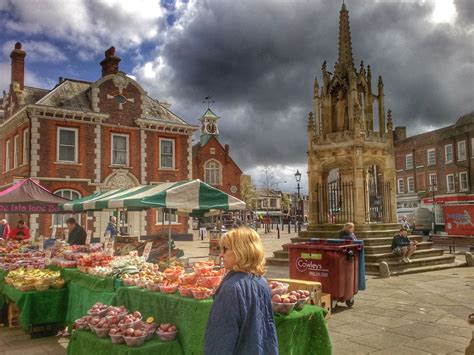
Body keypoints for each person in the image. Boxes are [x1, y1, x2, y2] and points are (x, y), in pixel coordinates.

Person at [204, 227, 278, 355]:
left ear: (241, 251)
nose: (221, 254)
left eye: (225, 249)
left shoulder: (231, 288)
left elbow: (221, 340)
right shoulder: (262, 281)